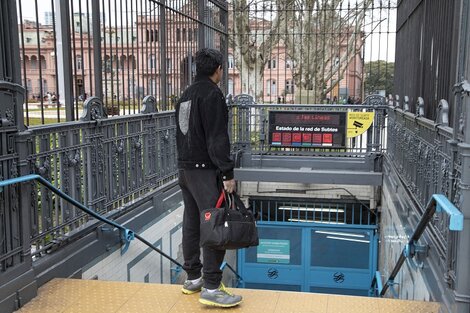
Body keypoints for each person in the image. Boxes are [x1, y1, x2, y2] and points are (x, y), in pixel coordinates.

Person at [175, 48, 242, 308]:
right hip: (205, 170)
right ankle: (212, 287)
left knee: (192, 222)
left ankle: (193, 277)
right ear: (218, 69)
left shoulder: (186, 94)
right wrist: (227, 173)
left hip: (185, 169)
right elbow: (217, 138)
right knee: (215, 223)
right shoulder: (212, 94)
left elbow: (183, 132)